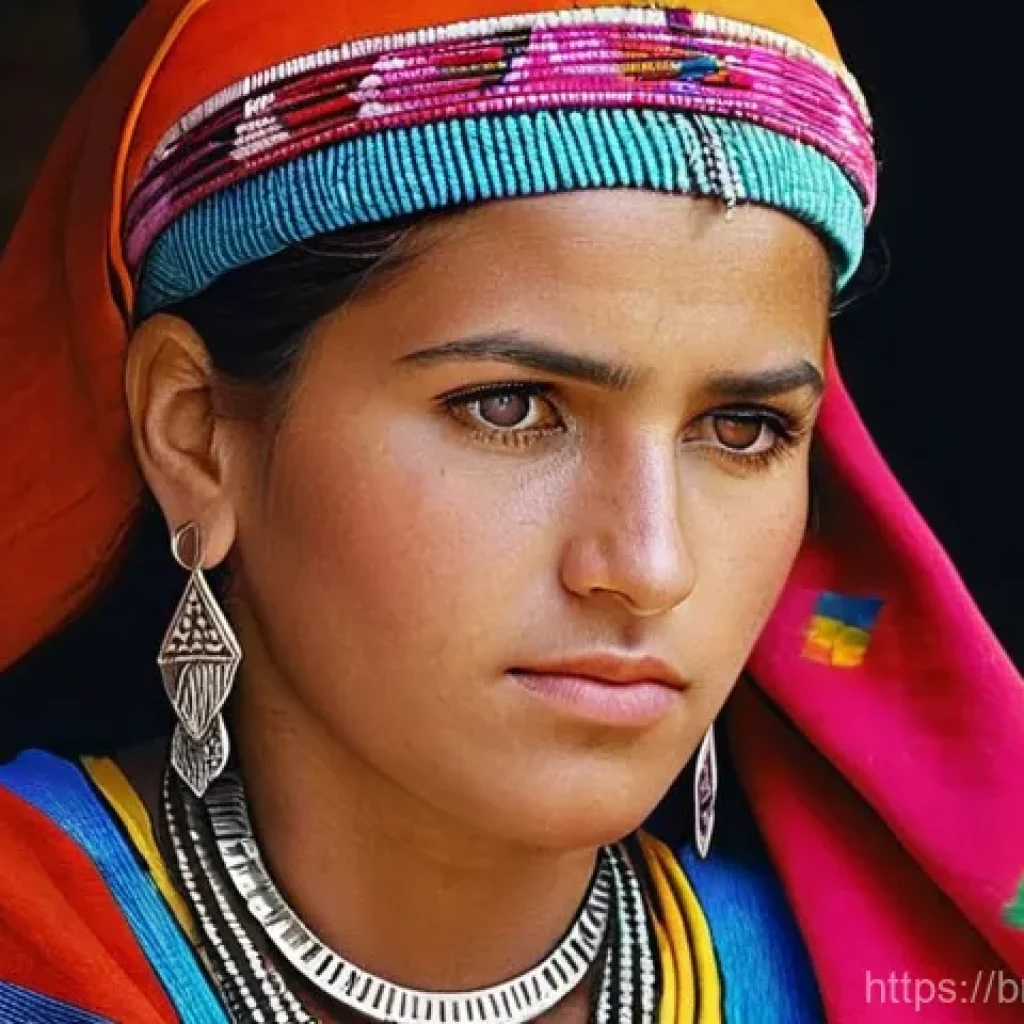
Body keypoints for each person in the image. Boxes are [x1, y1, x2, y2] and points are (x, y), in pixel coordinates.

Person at [0, 0, 1020, 1021]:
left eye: (743, 428)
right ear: (196, 434)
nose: (649, 564)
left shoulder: (864, 986)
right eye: (510, 407)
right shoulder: (29, 956)